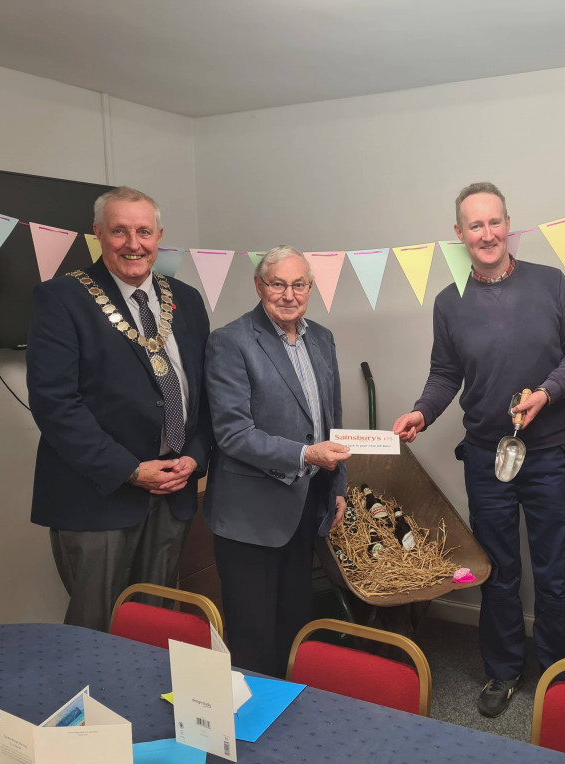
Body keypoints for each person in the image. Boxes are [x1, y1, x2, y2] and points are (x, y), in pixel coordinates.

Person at [393, 182, 565, 717]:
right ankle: (503, 671)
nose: (487, 234)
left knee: (557, 571)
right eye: (474, 225)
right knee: (497, 570)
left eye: (494, 222)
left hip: (549, 453)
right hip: (487, 458)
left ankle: (560, 676)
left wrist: (548, 392)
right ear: (459, 234)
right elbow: (445, 374)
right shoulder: (448, 301)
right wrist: (422, 410)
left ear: (509, 224)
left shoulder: (550, 283)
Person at [27, 186, 212, 632]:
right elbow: (55, 405)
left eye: (144, 231)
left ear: (159, 235)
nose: (133, 243)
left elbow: (206, 394)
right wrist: (130, 470)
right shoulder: (61, 299)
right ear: (98, 235)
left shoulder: (185, 299)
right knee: (97, 628)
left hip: (174, 491)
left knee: (157, 624)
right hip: (99, 496)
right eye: (119, 231)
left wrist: (196, 457)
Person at [204, 246, 350, 678]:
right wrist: (306, 455)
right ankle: (250, 728)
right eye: (278, 284)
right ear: (259, 286)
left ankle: (289, 719)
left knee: (294, 623)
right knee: (253, 635)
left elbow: (331, 421)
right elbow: (232, 433)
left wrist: (337, 486)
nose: (289, 294)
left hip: (304, 505)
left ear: (311, 287)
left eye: (299, 284)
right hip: (249, 514)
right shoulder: (230, 341)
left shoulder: (321, 338)